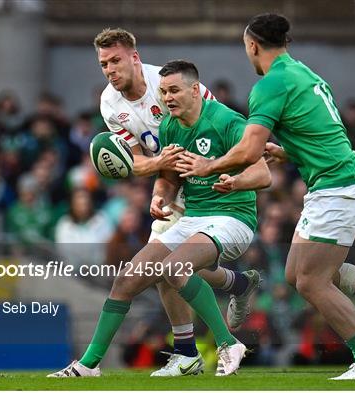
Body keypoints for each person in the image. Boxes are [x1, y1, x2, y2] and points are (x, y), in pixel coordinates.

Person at [176, 13, 355, 380]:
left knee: (312, 281)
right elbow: (323, 134)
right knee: (298, 274)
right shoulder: (305, 74)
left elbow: (248, 151)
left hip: (338, 187)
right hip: (335, 182)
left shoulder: (270, 84)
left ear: (252, 45)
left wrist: (207, 166)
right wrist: (289, 152)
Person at [48, 60, 271, 378]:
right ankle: (88, 365)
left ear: (196, 90)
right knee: (127, 281)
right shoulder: (169, 126)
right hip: (193, 217)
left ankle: (227, 343)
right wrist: (159, 197)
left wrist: (229, 179)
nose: (167, 98)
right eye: (163, 91)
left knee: (174, 268)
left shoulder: (226, 120)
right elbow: (169, 179)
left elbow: (263, 174)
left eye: (174, 90)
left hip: (232, 218)